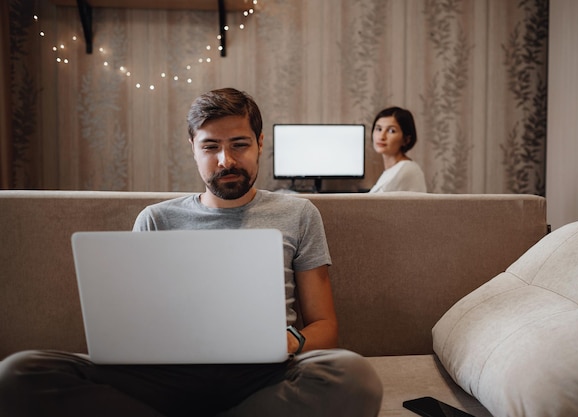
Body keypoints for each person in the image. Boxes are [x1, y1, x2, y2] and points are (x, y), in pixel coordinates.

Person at [0, 88, 383, 417]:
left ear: (261, 143)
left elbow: (325, 327)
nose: (226, 161)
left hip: (261, 375)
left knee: (353, 377)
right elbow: (132, 323)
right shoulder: (156, 219)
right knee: (18, 374)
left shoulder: (298, 213)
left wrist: (288, 342)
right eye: (211, 146)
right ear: (193, 149)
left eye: (239, 145)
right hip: (165, 376)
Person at [369, 106, 427, 193]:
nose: (381, 136)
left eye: (391, 131)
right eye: (379, 129)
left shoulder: (406, 169)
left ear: (406, 139)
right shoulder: (392, 170)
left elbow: (370, 205)